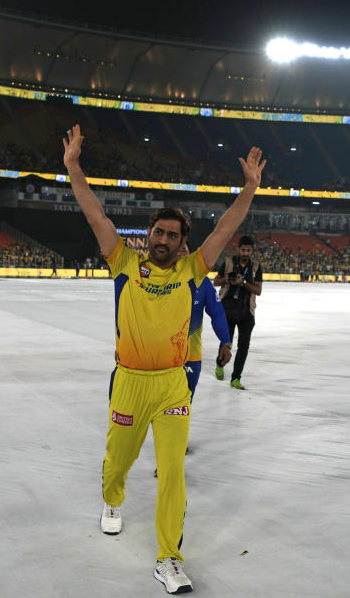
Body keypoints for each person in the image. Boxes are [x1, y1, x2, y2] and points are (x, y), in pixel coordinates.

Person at [62, 124, 264, 594]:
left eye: (172, 235)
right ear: (149, 234)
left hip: (173, 383)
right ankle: (112, 500)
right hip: (130, 381)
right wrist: (73, 168)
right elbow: (94, 213)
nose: (163, 239)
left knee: (173, 472)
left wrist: (249, 189)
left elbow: (226, 227)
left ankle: (168, 557)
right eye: (158, 231)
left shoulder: (194, 270)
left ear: (182, 243)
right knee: (118, 462)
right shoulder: (124, 263)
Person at [154, 241, 232, 476]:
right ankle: (171, 448)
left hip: (190, 359)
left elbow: (217, 313)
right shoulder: (156, 280)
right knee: (163, 408)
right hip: (159, 357)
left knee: (180, 407)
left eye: (185, 253)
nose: (181, 257)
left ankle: (170, 456)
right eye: (177, 253)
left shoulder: (202, 282)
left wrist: (225, 341)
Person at [212, 235, 263, 390]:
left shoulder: (255, 267)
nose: (245, 253)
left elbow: (258, 290)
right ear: (238, 249)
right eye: (243, 249)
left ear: (251, 250)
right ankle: (220, 364)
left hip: (246, 311)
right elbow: (215, 281)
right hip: (227, 309)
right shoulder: (228, 262)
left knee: (243, 346)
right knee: (226, 342)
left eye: (248, 250)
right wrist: (228, 279)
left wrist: (244, 282)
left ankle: (235, 379)